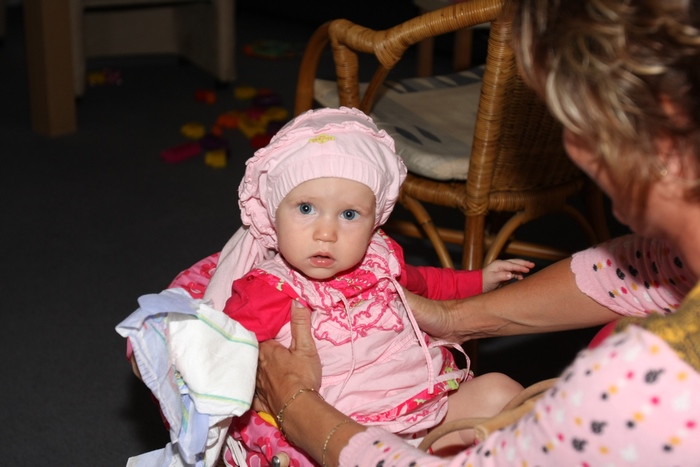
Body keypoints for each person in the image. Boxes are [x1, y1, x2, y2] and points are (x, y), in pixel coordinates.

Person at [251, 0, 700, 465]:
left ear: (660, 130)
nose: (570, 146)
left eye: (570, 122)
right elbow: (648, 267)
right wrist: (456, 318)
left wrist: (293, 403)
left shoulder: (651, 386)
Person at [192, 106, 530, 465]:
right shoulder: (270, 288)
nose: (326, 233)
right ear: (274, 214)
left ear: (374, 224)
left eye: (349, 214)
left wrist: (479, 279)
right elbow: (222, 350)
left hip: (428, 405)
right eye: (305, 209)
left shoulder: (380, 258)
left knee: (502, 393)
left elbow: (428, 283)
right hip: (342, 434)